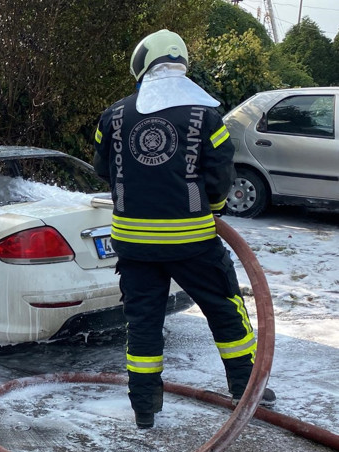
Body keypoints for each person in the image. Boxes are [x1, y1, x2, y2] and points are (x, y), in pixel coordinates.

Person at [92, 29, 274, 429]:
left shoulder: (113, 115)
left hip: (134, 245)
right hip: (192, 242)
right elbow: (220, 175)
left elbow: (102, 169)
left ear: (141, 65)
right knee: (225, 310)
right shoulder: (205, 116)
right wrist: (212, 209)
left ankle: (143, 407)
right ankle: (246, 388)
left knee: (142, 323)